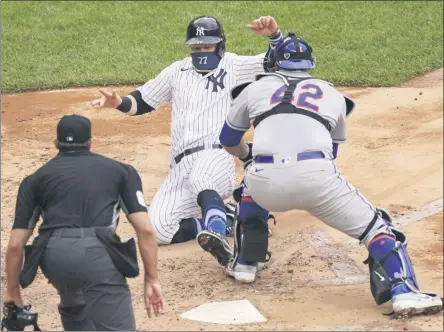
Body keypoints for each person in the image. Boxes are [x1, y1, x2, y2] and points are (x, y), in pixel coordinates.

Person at [218, 33, 444, 318]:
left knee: (248, 187)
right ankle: (403, 290)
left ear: (274, 65)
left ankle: (245, 264)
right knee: (378, 227)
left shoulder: (254, 89)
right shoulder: (334, 95)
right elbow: (332, 153)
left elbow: (227, 139)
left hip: (265, 182)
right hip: (317, 180)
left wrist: (246, 155)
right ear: (310, 64)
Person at [91, 16, 283, 267]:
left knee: (202, 179)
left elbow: (276, 63)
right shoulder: (176, 72)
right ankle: (227, 217)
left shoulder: (234, 65)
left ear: (220, 45)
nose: (201, 52)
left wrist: (274, 35)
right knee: (157, 230)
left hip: (216, 155)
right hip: (181, 167)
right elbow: (143, 101)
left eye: (207, 46)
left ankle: (216, 228)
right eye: (196, 47)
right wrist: (118, 103)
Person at [4, 114, 165, 331]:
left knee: (76, 308)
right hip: (96, 255)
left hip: (54, 257)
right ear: (90, 142)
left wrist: (13, 291)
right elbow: (145, 230)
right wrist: (151, 279)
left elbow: (15, 245)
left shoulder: (34, 179)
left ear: (55, 143)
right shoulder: (121, 171)